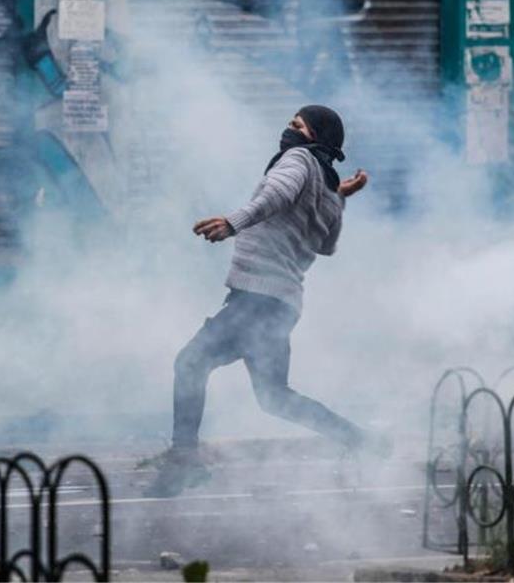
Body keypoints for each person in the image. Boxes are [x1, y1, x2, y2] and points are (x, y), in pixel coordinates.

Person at [146, 104, 390, 498]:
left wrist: (232, 223)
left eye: (298, 125)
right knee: (275, 398)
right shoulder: (327, 190)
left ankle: (184, 463)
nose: (288, 131)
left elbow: (277, 194)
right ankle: (362, 441)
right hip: (283, 306)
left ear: (314, 139)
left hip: (258, 299)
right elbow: (327, 245)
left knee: (190, 363)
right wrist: (337, 194)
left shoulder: (298, 159)